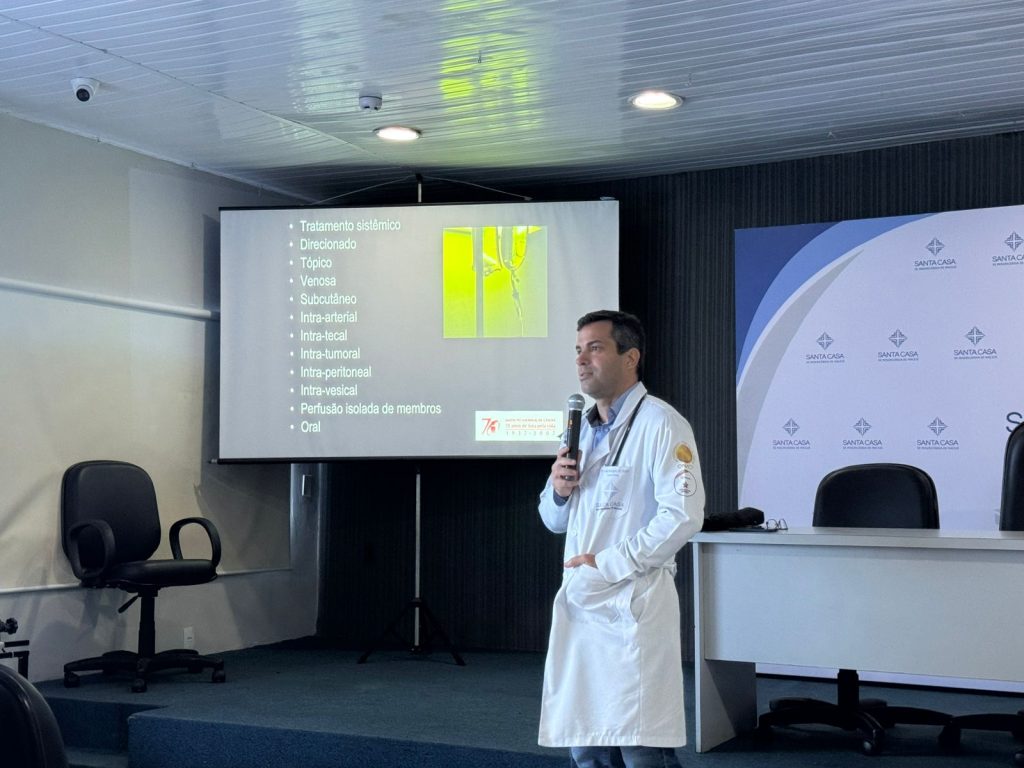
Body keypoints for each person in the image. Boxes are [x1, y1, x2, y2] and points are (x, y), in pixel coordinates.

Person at [537, 309, 706, 768]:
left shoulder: (662, 424)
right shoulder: (579, 432)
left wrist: (608, 563)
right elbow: (553, 520)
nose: (581, 360)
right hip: (583, 605)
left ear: (630, 358)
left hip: (633, 602)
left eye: (595, 348)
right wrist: (559, 490)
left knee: (640, 746)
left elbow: (683, 516)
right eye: (578, 350)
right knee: (586, 744)